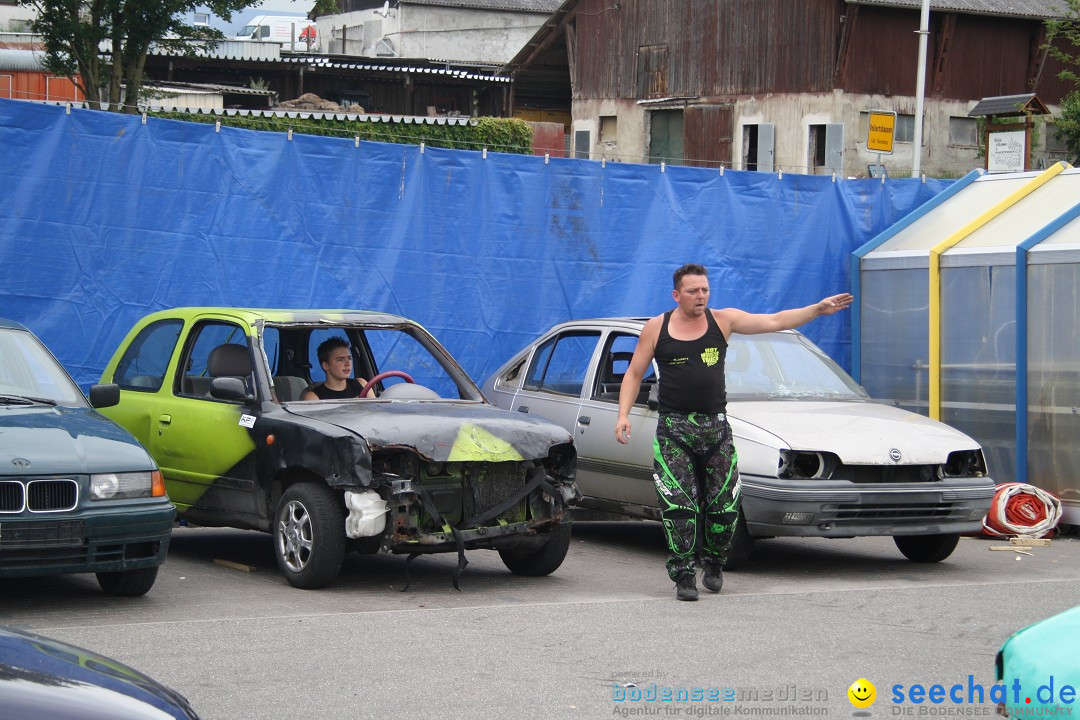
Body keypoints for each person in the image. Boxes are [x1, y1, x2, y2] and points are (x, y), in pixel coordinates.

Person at [614, 263, 852, 601]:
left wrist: (816, 309)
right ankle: (683, 574)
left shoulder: (723, 321)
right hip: (674, 431)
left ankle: (713, 561)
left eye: (705, 290)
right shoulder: (657, 328)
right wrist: (623, 414)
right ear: (676, 294)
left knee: (724, 506)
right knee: (678, 506)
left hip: (716, 430)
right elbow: (634, 373)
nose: (701, 296)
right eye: (693, 291)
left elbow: (775, 321)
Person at [301, 336, 370, 400]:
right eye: (340, 359)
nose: (348, 363)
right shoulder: (314, 397)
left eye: (349, 358)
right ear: (326, 366)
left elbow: (375, 410)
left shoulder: (362, 384)